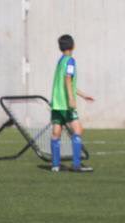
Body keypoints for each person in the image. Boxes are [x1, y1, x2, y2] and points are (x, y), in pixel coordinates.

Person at [50, 34, 94, 173]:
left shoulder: (61, 61)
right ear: (73, 45)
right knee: (78, 130)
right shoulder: (70, 61)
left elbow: (66, 82)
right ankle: (76, 165)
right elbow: (68, 79)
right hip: (65, 104)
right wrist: (71, 98)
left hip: (56, 103)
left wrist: (82, 95)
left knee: (56, 132)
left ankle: (55, 165)